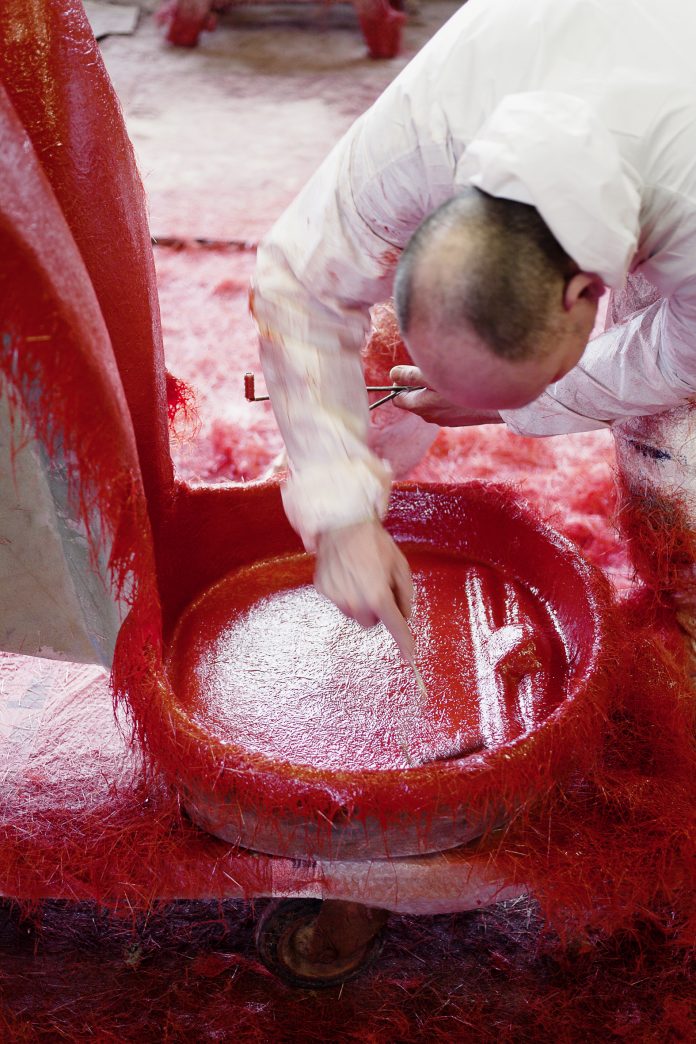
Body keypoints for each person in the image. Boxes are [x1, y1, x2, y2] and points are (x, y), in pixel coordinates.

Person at [251, 0, 696, 660]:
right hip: (556, 59)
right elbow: (300, 281)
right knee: (391, 327)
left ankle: (679, 602)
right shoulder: (422, 141)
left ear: (584, 297)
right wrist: (338, 508)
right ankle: (367, 478)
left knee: (676, 440)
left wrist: (507, 406)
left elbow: (674, 358)